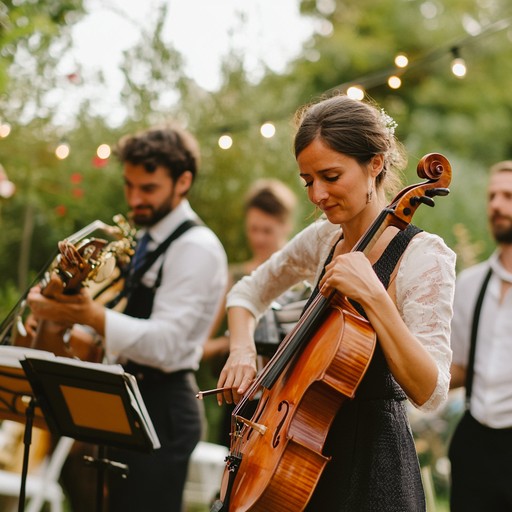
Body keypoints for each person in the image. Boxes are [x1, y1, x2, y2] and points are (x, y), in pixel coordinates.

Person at [215, 94, 456, 511]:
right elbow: (246, 292)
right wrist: (241, 348)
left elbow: (431, 391)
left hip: (372, 471)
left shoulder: (425, 256)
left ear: (375, 164)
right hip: (297, 453)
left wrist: (374, 295)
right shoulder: (325, 238)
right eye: (308, 181)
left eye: (330, 176)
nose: (317, 195)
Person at [27, 124, 228, 512]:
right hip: (125, 399)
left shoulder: (196, 248)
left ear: (183, 181)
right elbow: (124, 323)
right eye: (129, 186)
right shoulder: (147, 240)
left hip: (164, 407)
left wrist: (88, 314)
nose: (135, 199)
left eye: (148, 188)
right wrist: (62, 316)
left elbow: (167, 345)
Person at [201, 178, 303, 447]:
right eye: (253, 229)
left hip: (290, 404)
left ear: (286, 226)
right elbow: (202, 347)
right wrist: (236, 341)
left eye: (267, 231)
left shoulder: (303, 277)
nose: (258, 238)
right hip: (242, 401)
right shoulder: (234, 277)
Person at [449, 160, 512, 511]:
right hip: (474, 441)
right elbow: (458, 369)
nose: (496, 206)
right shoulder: (470, 283)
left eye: (507, 196)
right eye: (492, 196)